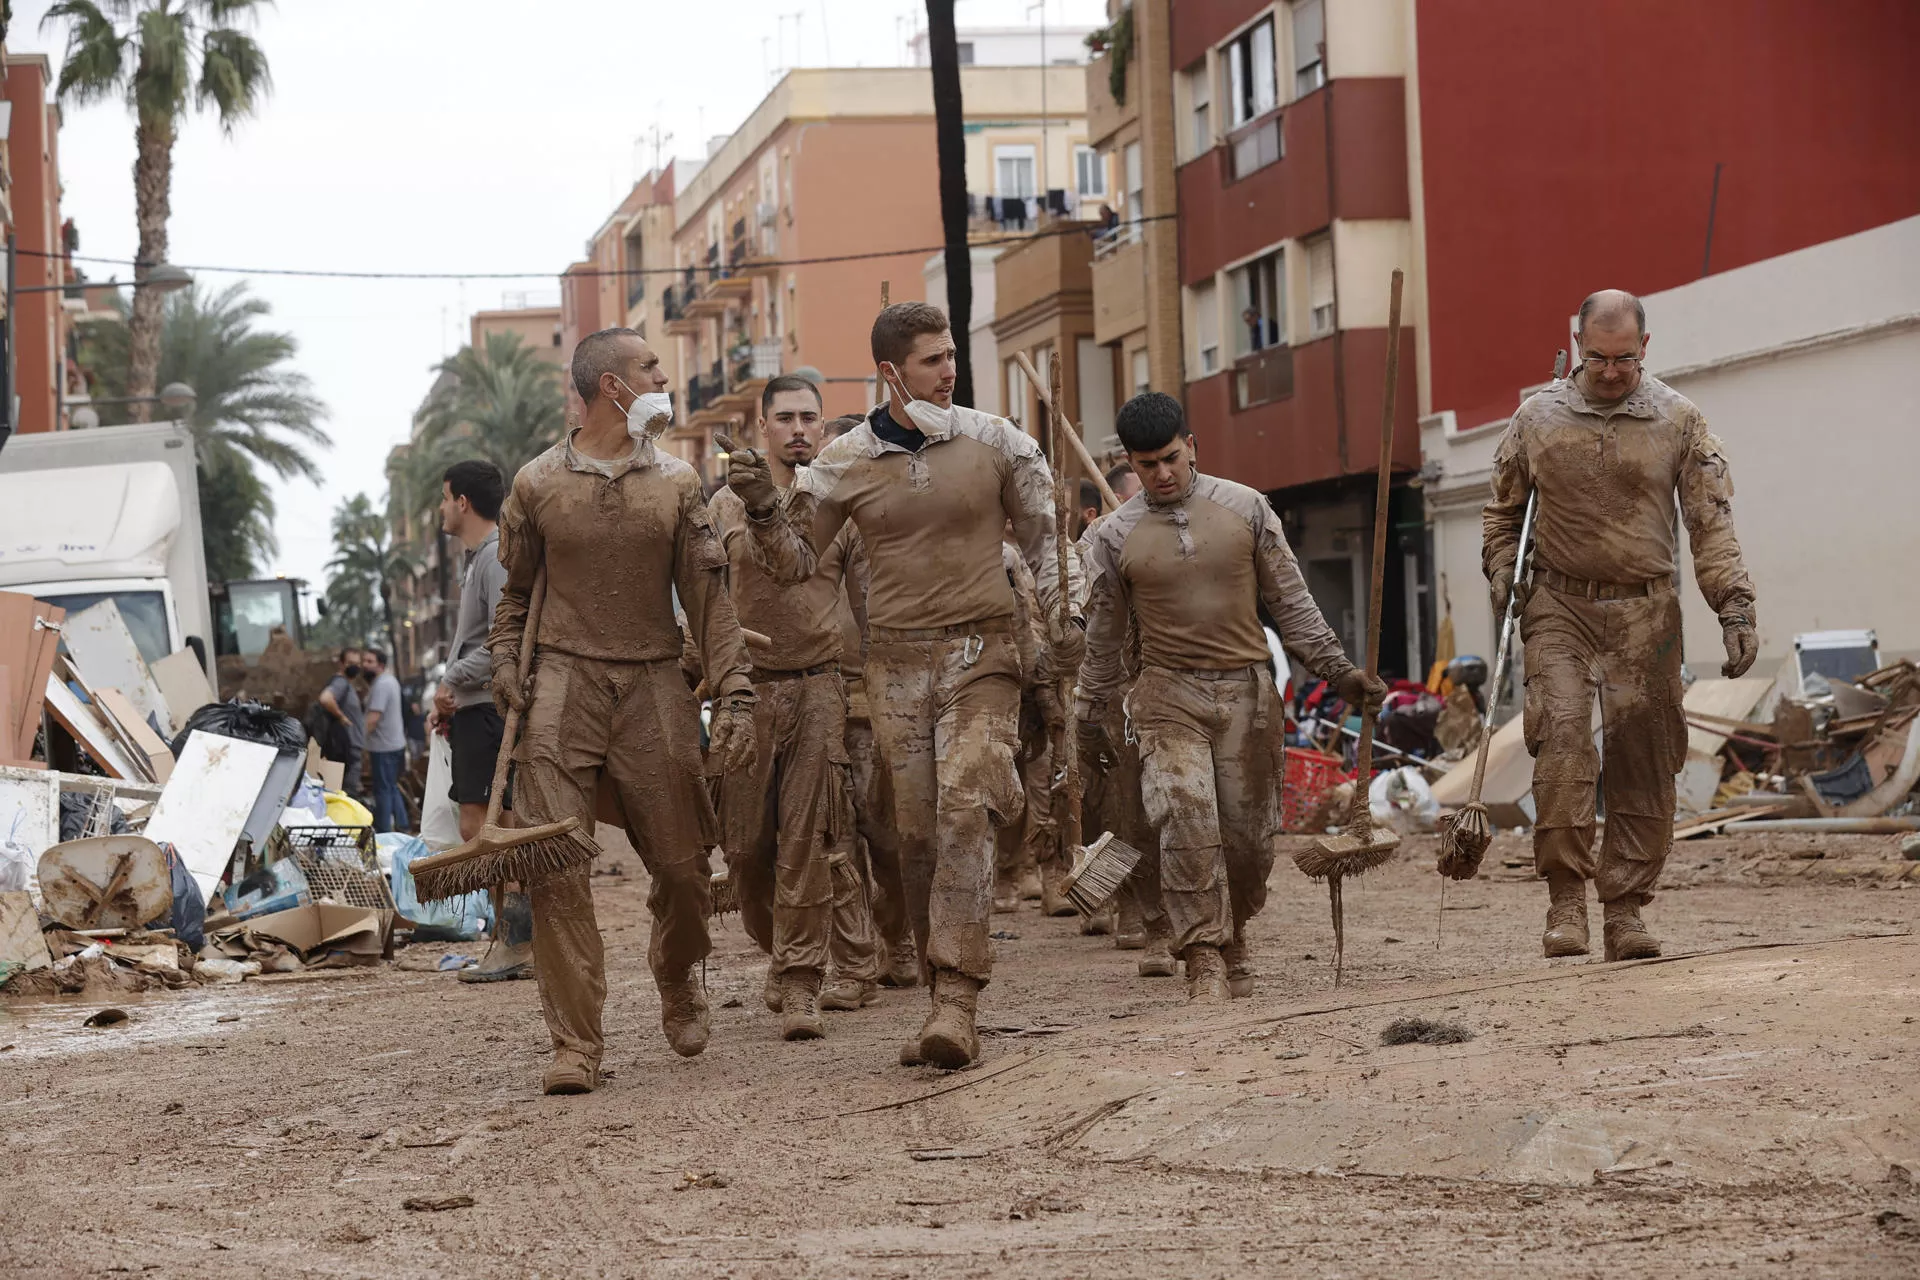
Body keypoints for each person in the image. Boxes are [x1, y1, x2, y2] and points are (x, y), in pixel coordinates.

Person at [726, 300, 1079, 1070]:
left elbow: (1048, 542)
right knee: (914, 837)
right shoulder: (844, 460)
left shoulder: (999, 442)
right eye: (933, 360)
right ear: (892, 372)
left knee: (965, 806)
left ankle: (957, 998)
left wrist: (1066, 616)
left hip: (983, 653)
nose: (950, 371)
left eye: (951, 355)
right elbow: (794, 565)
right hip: (894, 667)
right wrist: (763, 512)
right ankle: (935, 988)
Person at [491, 326, 756, 1095]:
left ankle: (677, 971)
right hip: (560, 684)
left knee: (683, 869)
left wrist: (735, 690)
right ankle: (576, 1044)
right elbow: (515, 599)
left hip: (653, 682)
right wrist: (505, 661)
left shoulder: (677, 483)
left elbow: (710, 601)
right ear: (613, 386)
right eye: (650, 368)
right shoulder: (537, 484)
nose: (664, 379)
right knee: (557, 868)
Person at [1079, 392, 1382, 1002]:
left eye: (1171, 458)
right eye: (1146, 465)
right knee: (1185, 819)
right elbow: (1104, 636)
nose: (1162, 474)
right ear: (1129, 463)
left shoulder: (1247, 508)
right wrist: (1088, 709)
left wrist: (1339, 672)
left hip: (1247, 692)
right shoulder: (1113, 536)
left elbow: (1292, 603)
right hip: (1166, 693)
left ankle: (1235, 930)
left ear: (1191, 446)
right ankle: (1203, 956)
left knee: (1247, 842)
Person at [1484, 290, 1756, 962]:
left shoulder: (1680, 420)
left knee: (1644, 757)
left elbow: (1711, 524)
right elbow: (1503, 514)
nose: (1611, 372)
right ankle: (1565, 902)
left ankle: (1626, 909)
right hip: (1560, 606)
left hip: (1646, 612)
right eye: (1599, 357)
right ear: (1577, 344)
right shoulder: (1536, 419)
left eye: (1625, 359)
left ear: (1646, 347)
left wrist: (1734, 605)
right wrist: (1502, 573)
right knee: (1563, 744)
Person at [710, 376, 867, 1039]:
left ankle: (803, 979)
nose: (798, 428)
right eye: (785, 418)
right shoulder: (721, 505)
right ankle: (780, 950)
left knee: (806, 842)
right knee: (746, 852)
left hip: (819, 686)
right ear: (762, 425)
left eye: (809, 417)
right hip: (746, 692)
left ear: (822, 426)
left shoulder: (836, 504)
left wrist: (877, 686)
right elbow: (703, 597)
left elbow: (867, 605)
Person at [821, 412, 916, 992]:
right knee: (832, 837)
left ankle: (898, 934)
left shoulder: (890, 520)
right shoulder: (806, 523)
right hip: (817, 695)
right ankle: (852, 958)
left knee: (885, 833)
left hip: (877, 696)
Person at [429, 459, 532, 985]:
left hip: (486, 711)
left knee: (484, 828)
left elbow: (502, 643)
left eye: (446, 497)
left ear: (463, 502)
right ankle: (514, 941)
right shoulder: (478, 560)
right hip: (475, 710)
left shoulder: (493, 559)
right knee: (496, 826)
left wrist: (451, 680)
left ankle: (516, 942)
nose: (442, 508)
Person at [362, 648, 408, 833]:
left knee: (382, 790)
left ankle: (383, 831)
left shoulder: (381, 685)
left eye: (369, 661)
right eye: (364, 661)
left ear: (380, 665)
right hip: (395, 744)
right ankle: (403, 825)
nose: (364, 665)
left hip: (383, 747)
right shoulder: (390, 681)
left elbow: (373, 719)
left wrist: (359, 742)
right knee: (391, 787)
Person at [317, 648, 365, 798]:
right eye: (350, 663)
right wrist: (342, 717)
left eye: (357, 663)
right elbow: (325, 698)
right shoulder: (341, 683)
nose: (355, 667)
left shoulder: (347, 685)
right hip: (346, 750)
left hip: (348, 749)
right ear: (341, 664)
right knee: (347, 795)